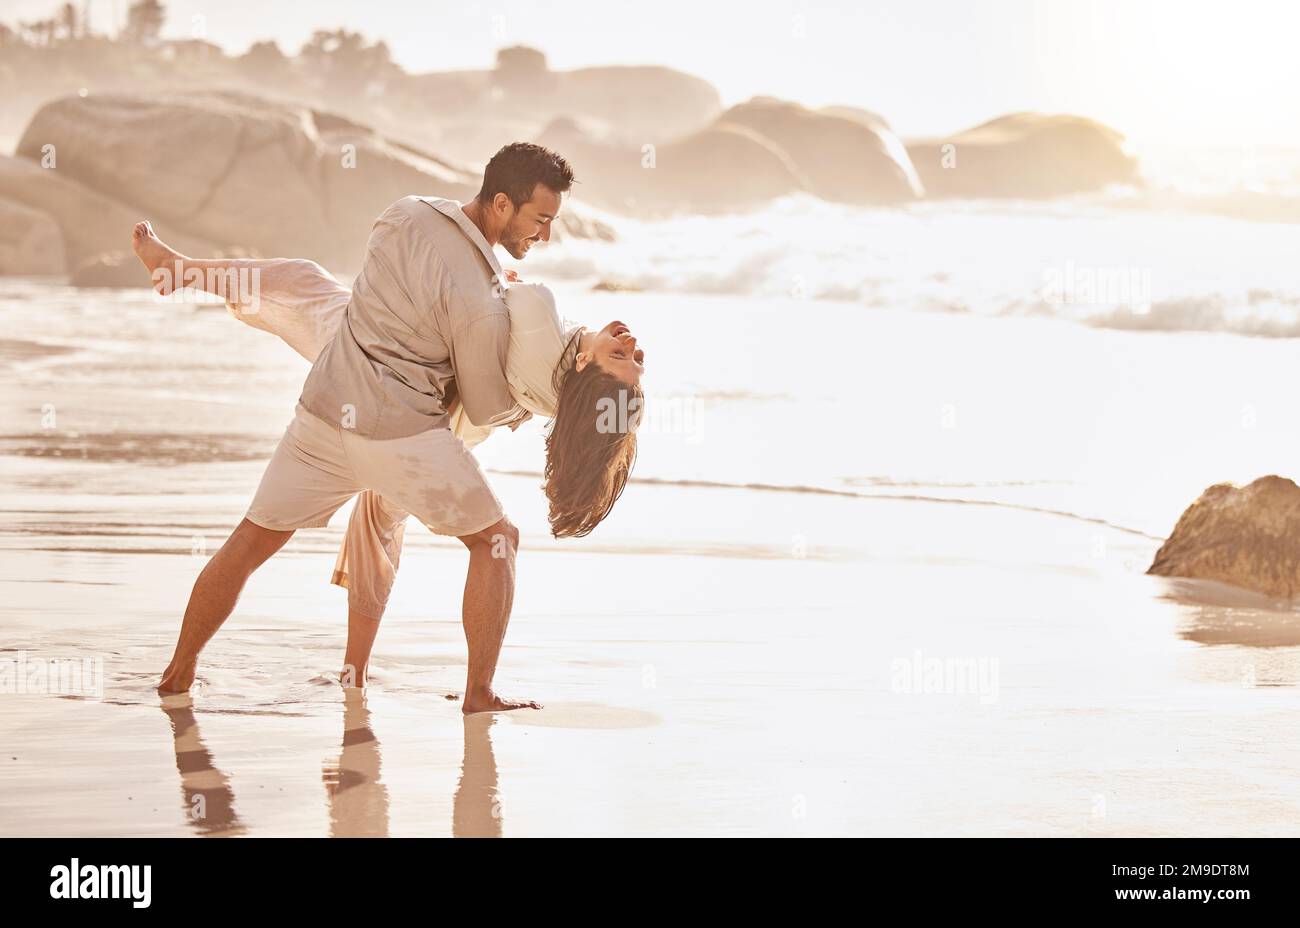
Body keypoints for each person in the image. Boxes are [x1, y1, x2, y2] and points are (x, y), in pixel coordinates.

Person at [137, 143, 636, 713]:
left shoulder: (404, 213)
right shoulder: (483, 299)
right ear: (501, 204)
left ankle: (178, 674)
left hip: (324, 408)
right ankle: (478, 694)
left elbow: (374, 303)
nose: (545, 234)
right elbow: (480, 404)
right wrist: (527, 399)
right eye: (540, 219)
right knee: (497, 542)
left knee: (250, 542)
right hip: (397, 433)